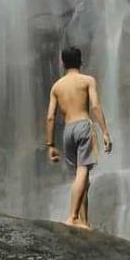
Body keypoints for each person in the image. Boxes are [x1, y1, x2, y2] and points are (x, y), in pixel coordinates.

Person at [45, 46, 112, 228]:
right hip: (83, 125)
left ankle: (85, 222)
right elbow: (95, 107)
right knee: (83, 172)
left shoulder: (56, 87)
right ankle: (73, 217)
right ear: (81, 61)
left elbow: (50, 116)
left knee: (81, 178)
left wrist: (50, 144)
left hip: (67, 130)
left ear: (63, 63)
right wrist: (105, 131)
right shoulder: (87, 80)